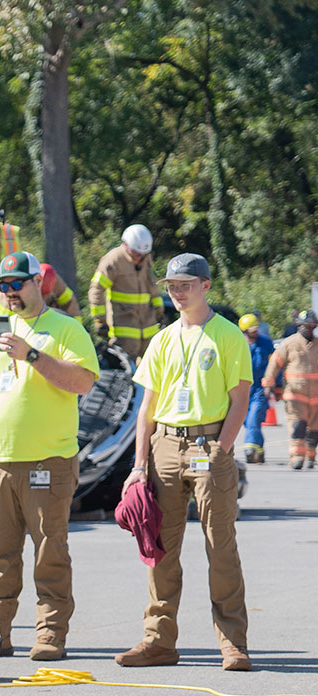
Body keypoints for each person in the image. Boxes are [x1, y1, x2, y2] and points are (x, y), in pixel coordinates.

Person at [0, 252, 99, 661]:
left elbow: (82, 382)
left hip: (47, 464)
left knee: (49, 552)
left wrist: (33, 355)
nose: (9, 293)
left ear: (39, 282)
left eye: (17, 284)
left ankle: (50, 634)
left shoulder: (66, 329)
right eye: (2, 286)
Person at [116, 254, 252, 671]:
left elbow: (240, 397)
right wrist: (139, 465)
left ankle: (233, 643)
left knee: (220, 545)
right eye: (171, 285)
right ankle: (158, 642)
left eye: (185, 284)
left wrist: (221, 449)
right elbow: (147, 409)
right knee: (159, 548)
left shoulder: (228, 335)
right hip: (166, 447)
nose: (176, 291)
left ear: (206, 285)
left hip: (209, 444)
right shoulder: (161, 339)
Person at [88, 224, 163, 361]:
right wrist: (100, 320)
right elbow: (96, 290)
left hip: (148, 326)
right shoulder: (113, 260)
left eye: (142, 255)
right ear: (125, 244)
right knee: (124, 371)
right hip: (123, 327)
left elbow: (152, 285)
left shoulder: (146, 259)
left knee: (152, 367)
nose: (139, 258)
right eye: (136, 253)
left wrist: (159, 310)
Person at [263, 309, 318, 469]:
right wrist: (268, 384)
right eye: (305, 326)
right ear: (298, 326)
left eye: (311, 326)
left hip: (316, 398)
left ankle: (310, 456)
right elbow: (275, 363)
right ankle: (296, 457)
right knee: (297, 426)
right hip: (295, 396)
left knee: (314, 431)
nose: (308, 329)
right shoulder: (289, 343)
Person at [237, 313, 274, 463]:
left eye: (256, 329)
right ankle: (259, 450)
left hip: (260, 387)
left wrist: (274, 384)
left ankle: (250, 450)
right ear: (244, 331)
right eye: (252, 330)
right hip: (241, 387)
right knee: (248, 421)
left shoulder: (265, 343)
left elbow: (274, 364)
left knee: (254, 417)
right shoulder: (237, 342)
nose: (255, 332)